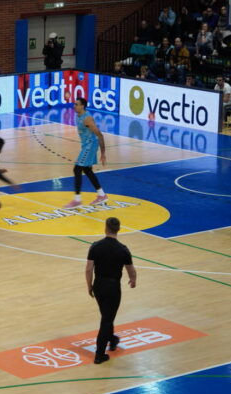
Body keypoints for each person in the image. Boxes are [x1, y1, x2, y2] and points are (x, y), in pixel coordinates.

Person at [86, 217, 137, 364]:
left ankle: (112, 340)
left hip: (99, 285)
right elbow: (131, 270)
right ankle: (99, 354)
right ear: (119, 229)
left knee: (106, 315)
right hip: (113, 287)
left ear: (105, 228)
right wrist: (133, 280)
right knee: (107, 319)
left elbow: (89, 269)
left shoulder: (95, 246)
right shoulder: (123, 249)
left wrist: (89, 285)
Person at [64, 98, 107, 209]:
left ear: (82, 106)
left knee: (77, 169)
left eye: (76, 104)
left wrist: (103, 153)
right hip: (86, 145)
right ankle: (102, 195)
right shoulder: (78, 116)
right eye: (74, 104)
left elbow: (100, 135)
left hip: (90, 145)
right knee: (87, 170)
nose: (74, 106)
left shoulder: (87, 119)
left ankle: (77, 200)